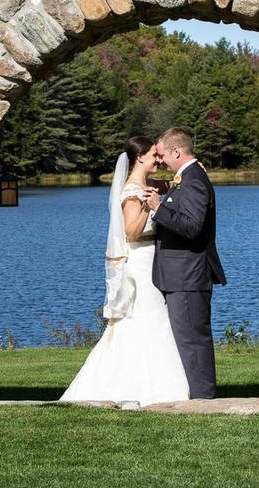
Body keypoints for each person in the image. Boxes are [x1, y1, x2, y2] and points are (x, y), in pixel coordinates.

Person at [59, 136, 189, 406]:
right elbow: (130, 232)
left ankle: (154, 381)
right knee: (145, 315)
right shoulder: (133, 191)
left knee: (150, 316)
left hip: (150, 257)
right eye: (154, 154)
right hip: (139, 260)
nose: (158, 158)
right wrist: (148, 205)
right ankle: (146, 386)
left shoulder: (146, 185)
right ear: (140, 157)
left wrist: (182, 178)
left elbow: (170, 184)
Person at [145, 127, 226, 399]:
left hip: (188, 275)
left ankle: (203, 397)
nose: (162, 161)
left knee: (193, 339)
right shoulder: (188, 177)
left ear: (177, 151)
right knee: (187, 338)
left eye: (164, 155)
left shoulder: (193, 181)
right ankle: (197, 392)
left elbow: (191, 227)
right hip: (182, 275)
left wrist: (159, 208)